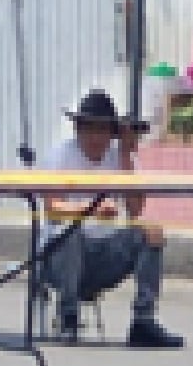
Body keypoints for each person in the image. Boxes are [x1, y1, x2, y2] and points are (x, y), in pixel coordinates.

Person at [37, 90, 182, 349]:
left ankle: (143, 320)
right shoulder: (60, 156)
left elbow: (136, 210)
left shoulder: (119, 157)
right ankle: (68, 313)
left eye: (102, 130)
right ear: (78, 129)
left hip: (103, 254)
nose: (95, 137)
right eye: (89, 130)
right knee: (70, 232)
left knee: (150, 232)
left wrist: (126, 156)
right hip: (60, 255)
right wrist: (89, 210)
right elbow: (51, 207)